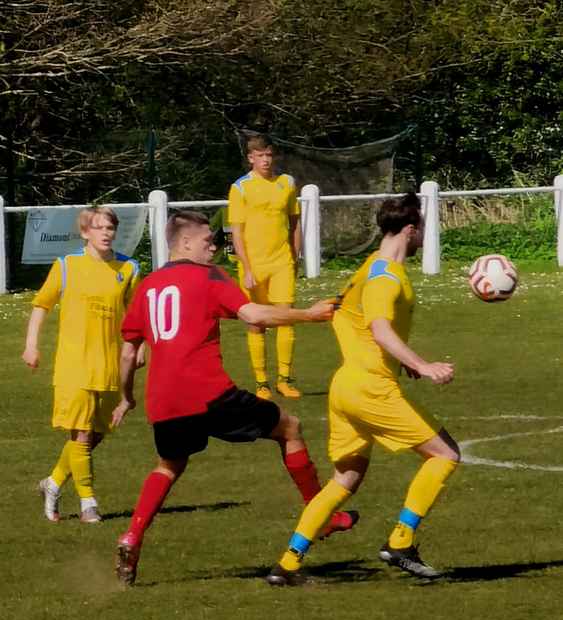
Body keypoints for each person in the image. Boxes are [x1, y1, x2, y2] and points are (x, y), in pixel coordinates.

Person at [112, 210, 358, 586]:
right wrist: (308, 315)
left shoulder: (148, 285)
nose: (214, 246)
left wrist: (126, 397)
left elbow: (129, 353)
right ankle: (320, 516)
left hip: (164, 400)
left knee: (167, 466)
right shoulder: (207, 276)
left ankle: (133, 537)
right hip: (208, 392)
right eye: (208, 239)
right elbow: (253, 314)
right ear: (186, 242)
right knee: (290, 427)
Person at [267, 192, 461, 585]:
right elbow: (379, 327)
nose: (423, 233)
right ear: (410, 229)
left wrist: (397, 359)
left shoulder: (368, 267)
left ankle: (287, 564)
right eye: (421, 226)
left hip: (346, 387)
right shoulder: (385, 275)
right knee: (445, 454)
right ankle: (401, 541)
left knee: (345, 479)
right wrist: (420, 365)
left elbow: (345, 314)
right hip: (371, 388)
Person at [22, 206, 141, 523]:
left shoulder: (128, 268)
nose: (106, 233)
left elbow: (135, 316)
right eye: (99, 227)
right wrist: (31, 345)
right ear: (85, 232)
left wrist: (139, 347)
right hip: (74, 363)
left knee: (96, 434)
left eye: (110, 228)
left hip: (110, 363)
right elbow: (41, 305)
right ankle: (89, 502)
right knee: (83, 435)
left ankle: (54, 481)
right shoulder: (66, 265)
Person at [228, 133, 302, 400]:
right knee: (257, 323)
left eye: (269, 155)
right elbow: (235, 232)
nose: (266, 160)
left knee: (286, 318)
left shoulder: (286, 183)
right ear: (251, 158)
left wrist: (295, 257)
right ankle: (262, 382)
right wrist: (246, 267)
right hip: (254, 265)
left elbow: (295, 222)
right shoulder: (240, 188)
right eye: (260, 156)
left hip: (282, 261)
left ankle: (285, 378)